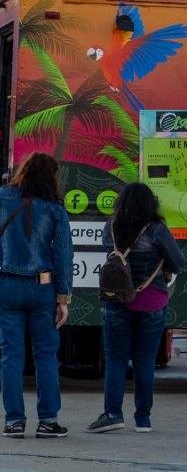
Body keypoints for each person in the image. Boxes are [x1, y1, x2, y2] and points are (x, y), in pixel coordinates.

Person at [88, 183, 185, 434]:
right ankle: (143, 419)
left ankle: (112, 414)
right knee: (144, 361)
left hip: (116, 300)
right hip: (151, 303)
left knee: (116, 359)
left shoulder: (110, 227)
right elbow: (179, 263)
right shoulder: (157, 231)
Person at [0, 153, 73, 438]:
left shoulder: (3, 197)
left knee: (10, 356)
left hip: (6, 286)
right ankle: (48, 421)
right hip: (42, 288)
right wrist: (63, 299)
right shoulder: (55, 208)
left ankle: (14, 421)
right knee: (45, 356)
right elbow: (64, 256)